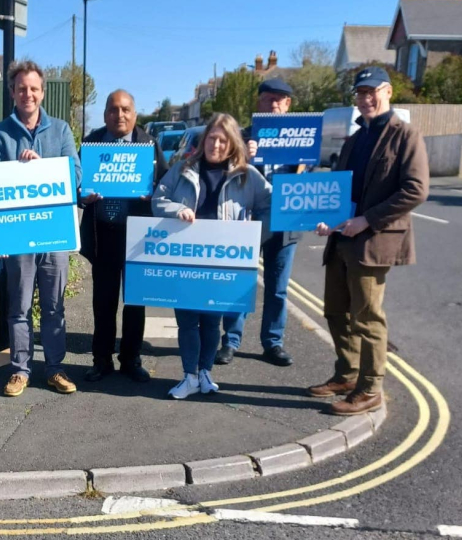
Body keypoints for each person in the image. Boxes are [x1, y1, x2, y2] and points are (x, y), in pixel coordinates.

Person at [307, 66, 429, 415]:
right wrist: (325, 221)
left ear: (388, 92)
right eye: (360, 93)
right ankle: (347, 374)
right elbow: (336, 190)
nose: (365, 99)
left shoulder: (405, 136)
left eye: (371, 91)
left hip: (373, 240)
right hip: (341, 238)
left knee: (367, 317)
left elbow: (416, 190)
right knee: (334, 312)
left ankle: (370, 389)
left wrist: (366, 220)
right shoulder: (354, 139)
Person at [152, 113, 272, 399]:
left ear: (232, 145)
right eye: (211, 138)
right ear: (203, 139)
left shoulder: (247, 176)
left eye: (222, 140)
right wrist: (176, 211)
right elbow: (159, 198)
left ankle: (205, 372)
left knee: (211, 322)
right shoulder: (183, 168)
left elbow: (271, 206)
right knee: (187, 321)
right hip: (185, 258)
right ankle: (189, 376)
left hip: (221, 261)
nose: (215, 145)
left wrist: (253, 235)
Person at [0, 60, 82, 397]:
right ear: (12, 92)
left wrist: (45, 171)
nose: (28, 94)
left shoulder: (61, 131)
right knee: (19, 307)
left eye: (34, 88)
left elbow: (76, 177)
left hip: (54, 233)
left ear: (42, 93)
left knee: (54, 307)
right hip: (18, 235)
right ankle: (20, 371)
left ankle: (55, 368)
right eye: (21, 88)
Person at [79, 89, 169, 383]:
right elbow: (76, 185)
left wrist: (152, 195)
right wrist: (84, 198)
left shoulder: (149, 145)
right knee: (102, 303)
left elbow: (166, 186)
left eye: (126, 110)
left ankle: (131, 358)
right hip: (103, 234)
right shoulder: (91, 143)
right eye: (114, 110)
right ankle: (101, 360)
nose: (120, 115)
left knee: (135, 302)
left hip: (137, 237)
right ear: (105, 114)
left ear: (135, 114)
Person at [217, 78, 304, 368]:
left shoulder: (301, 138)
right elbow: (223, 174)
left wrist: (307, 166)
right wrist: (245, 157)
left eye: (281, 99)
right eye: (269, 99)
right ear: (259, 102)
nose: (275, 104)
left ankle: (273, 343)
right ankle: (230, 341)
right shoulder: (240, 137)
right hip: (248, 222)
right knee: (239, 283)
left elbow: (311, 178)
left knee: (278, 288)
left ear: (288, 104)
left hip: (286, 221)